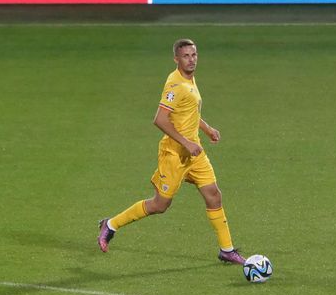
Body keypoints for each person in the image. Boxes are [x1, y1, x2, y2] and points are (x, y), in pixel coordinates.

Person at [97, 38, 247, 265]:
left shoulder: (188, 79)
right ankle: (111, 225)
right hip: (174, 155)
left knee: (213, 195)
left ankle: (226, 249)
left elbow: (187, 113)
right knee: (160, 205)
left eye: (194, 55)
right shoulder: (176, 86)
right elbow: (159, 119)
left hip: (195, 153)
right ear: (176, 59)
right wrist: (186, 143)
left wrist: (206, 129)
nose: (191, 60)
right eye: (186, 56)